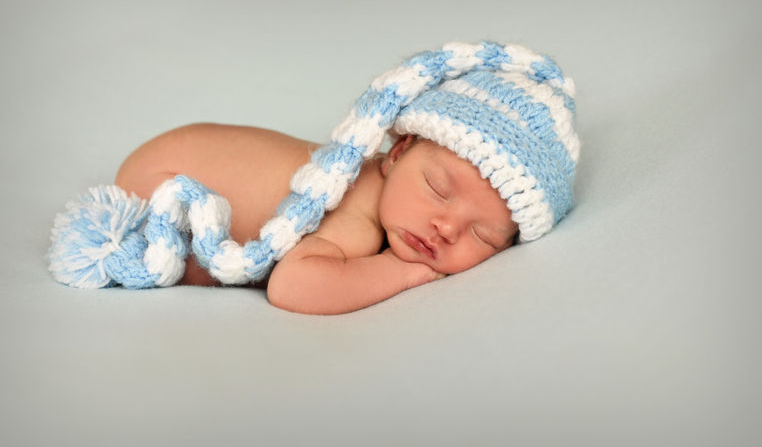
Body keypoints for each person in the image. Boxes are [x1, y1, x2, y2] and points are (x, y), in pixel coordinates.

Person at [48, 41, 580, 315]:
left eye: (482, 235)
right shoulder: (358, 211)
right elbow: (293, 287)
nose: (446, 227)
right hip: (162, 181)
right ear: (396, 152)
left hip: (179, 146)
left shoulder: (390, 193)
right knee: (183, 264)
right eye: (438, 189)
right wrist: (401, 273)